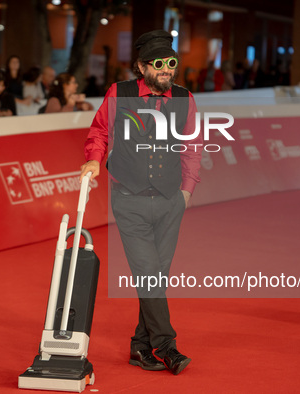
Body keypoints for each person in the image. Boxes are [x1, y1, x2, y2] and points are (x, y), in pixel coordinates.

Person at [79, 29, 202, 376]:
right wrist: (93, 158)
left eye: (172, 63)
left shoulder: (185, 99)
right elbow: (100, 131)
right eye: (159, 64)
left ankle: (139, 347)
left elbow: (193, 147)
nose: (167, 70)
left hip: (169, 201)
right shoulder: (120, 93)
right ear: (141, 66)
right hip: (129, 200)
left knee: (155, 279)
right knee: (149, 274)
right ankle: (167, 346)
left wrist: (187, 191)